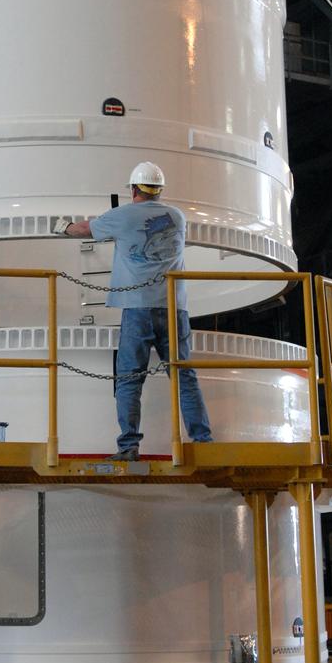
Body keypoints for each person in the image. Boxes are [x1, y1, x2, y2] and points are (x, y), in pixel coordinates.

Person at [53, 162, 211, 459]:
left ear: (134, 189)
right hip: (174, 309)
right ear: (159, 190)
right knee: (184, 377)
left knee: (129, 379)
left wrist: (63, 226)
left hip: (138, 309)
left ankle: (128, 447)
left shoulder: (122, 215)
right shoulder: (177, 216)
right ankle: (203, 441)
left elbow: (85, 229)